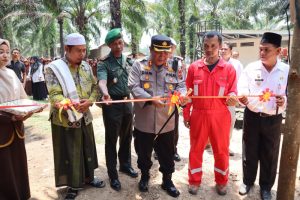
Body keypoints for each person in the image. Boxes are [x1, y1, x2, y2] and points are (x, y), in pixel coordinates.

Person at [44, 33, 105, 200]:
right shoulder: (53, 68)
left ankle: (89, 178)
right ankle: (72, 185)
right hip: (65, 119)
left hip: (84, 116)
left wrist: (90, 101)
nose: (82, 54)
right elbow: (54, 94)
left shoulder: (86, 66)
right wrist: (67, 104)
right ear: (66, 49)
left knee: (87, 148)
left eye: (84, 50)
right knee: (69, 152)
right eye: (78, 50)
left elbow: (94, 88)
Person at [128, 35, 187, 197]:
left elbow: (182, 85)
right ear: (151, 50)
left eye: (165, 53)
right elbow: (133, 85)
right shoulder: (138, 66)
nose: (162, 56)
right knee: (143, 152)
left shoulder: (175, 66)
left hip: (166, 121)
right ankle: (145, 176)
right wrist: (150, 99)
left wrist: (181, 95)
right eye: (158, 52)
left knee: (167, 153)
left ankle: (167, 180)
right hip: (144, 120)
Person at [183, 31, 238, 196]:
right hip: (199, 114)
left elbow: (233, 91)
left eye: (213, 45)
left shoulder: (228, 69)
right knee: (196, 149)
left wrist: (233, 97)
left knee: (221, 150)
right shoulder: (194, 68)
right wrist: (186, 114)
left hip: (220, 116)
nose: (209, 49)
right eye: (206, 46)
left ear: (220, 47)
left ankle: (221, 182)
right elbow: (188, 94)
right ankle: (194, 181)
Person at [238, 32, 289, 200]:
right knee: (250, 150)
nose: (262, 53)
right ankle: (247, 181)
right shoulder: (251, 68)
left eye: (266, 50)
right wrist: (243, 96)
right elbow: (242, 88)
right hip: (252, 116)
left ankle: (266, 187)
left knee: (270, 153)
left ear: (278, 51)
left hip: (273, 119)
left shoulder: (286, 71)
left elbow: (291, 94)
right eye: (260, 49)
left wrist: (284, 101)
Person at [97, 28, 137, 192]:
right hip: (112, 105)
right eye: (114, 44)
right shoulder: (104, 63)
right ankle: (113, 174)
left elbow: (137, 80)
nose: (118, 46)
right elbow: (102, 82)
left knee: (127, 136)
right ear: (110, 46)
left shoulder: (129, 61)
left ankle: (125, 165)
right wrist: (105, 94)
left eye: (120, 42)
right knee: (111, 139)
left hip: (127, 103)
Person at [0, 38, 32, 200]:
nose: (5, 56)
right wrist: (8, 118)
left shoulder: (11, 73)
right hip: (2, 131)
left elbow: (23, 99)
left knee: (17, 166)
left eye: (7, 52)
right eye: (1, 52)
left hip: (17, 129)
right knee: (4, 169)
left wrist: (29, 110)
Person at [220, 41, 244, 156]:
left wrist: (236, 98)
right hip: (216, 99)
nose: (223, 51)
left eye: (225, 49)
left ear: (230, 51)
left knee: (230, 122)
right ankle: (210, 144)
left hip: (230, 99)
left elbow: (240, 82)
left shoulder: (237, 64)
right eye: (222, 49)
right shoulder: (214, 62)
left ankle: (226, 146)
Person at [169, 37, 186, 162]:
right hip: (159, 98)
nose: (169, 50)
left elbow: (181, 82)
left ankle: (173, 150)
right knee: (157, 125)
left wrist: (180, 95)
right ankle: (157, 150)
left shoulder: (177, 62)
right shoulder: (153, 61)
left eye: (171, 47)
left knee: (174, 126)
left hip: (173, 98)